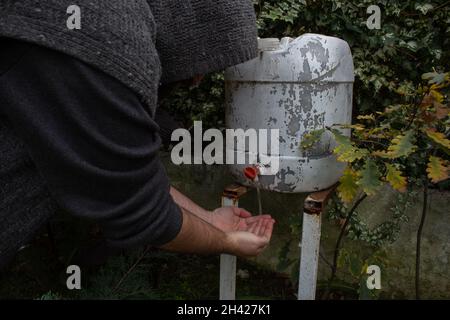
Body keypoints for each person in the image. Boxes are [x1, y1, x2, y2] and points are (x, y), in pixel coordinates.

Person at [0, 0, 275, 269]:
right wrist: (226, 240)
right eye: (203, 64)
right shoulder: (103, 32)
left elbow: (123, 171)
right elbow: (141, 213)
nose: (196, 80)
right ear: (188, 25)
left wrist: (209, 220)